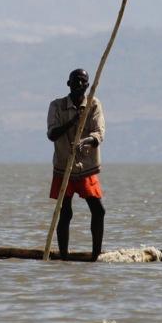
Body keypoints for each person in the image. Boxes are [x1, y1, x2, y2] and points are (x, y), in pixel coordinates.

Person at [47, 68, 106, 261]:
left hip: (86, 165)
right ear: (68, 84)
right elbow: (52, 134)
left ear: (88, 85)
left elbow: (99, 132)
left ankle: (96, 256)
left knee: (98, 210)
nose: (79, 85)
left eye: (83, 81)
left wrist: (86, 140)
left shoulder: (93, 104)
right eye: (75, 81)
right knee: (65, 211)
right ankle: (64, 256)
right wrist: (73, 122)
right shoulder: (57, 106)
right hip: (64, 165)